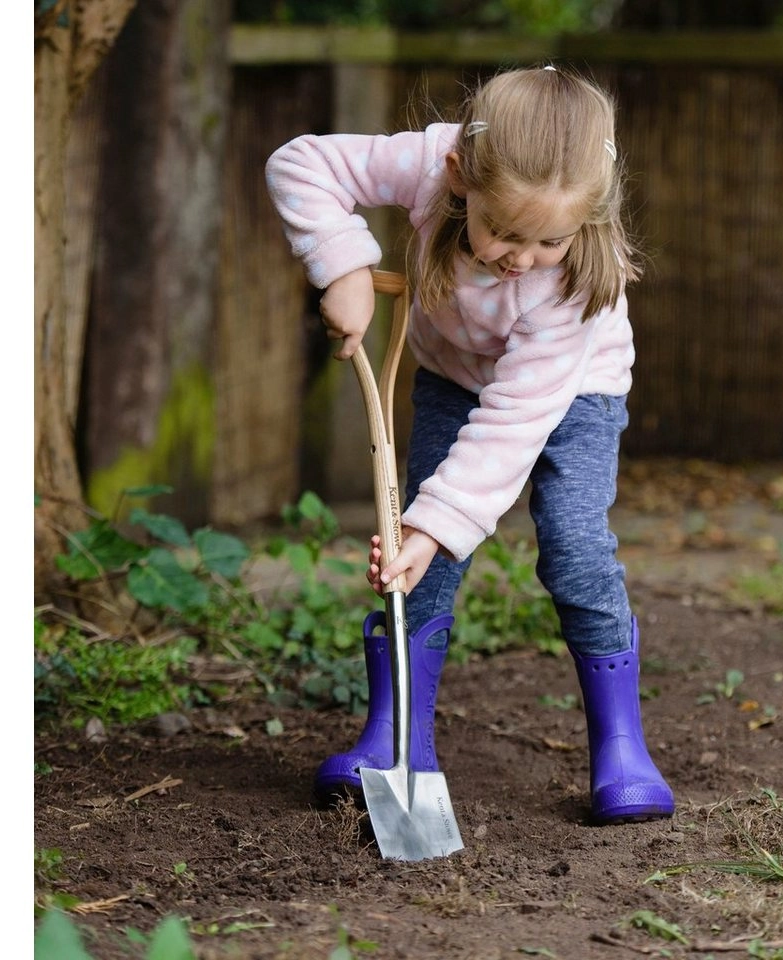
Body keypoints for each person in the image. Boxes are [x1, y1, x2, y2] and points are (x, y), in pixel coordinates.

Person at [265, 65, 673, 825]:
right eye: (505, 232)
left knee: (575, 547)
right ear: (459, 176)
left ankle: (622, 747)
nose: (521, 255)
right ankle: (396, 743)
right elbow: (302, 163)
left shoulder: (576, 288)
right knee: (418, 567)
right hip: (454, 376)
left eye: (550, 238)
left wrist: (437, 522)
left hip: (573, 391)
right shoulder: (434, 161)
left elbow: (516, 421)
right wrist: (344, 266)